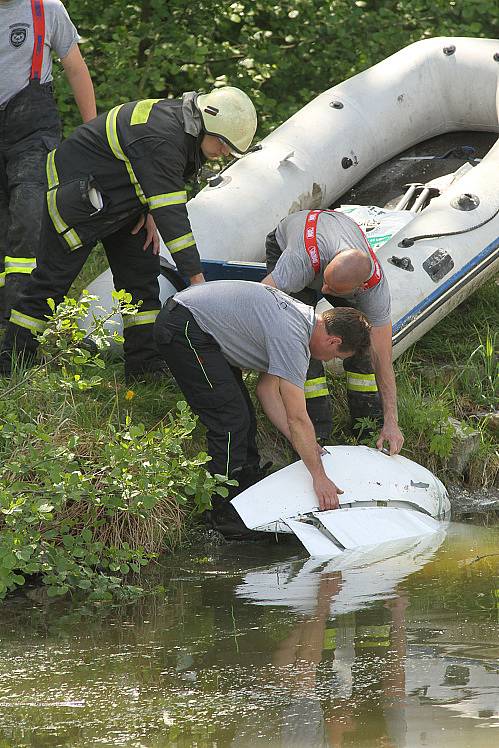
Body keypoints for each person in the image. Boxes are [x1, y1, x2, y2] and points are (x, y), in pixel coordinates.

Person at [0, 85, 257, 381]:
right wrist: (198, 285)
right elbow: (175, 223)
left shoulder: (183, 129)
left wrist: (148, 210)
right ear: (206, 123)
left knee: (141, 278)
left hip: (122, 200)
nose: (224, 152)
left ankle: (144, 366)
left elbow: (151, 174)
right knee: (51, 281)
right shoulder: (164, 137)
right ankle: (13, 359)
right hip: (79, 196)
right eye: (223, 143)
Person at [153, 280, 371, 536]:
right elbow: (298, 418)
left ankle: (246, 490)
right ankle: (222, 514)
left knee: (243, 414)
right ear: (334, 341)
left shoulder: (303, 320)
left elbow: (266, 392)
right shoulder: (293, 338)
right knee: (229, 420)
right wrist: (319, 477)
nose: (330, 360)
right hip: (185, 328)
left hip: (197, 323)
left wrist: (307, 446)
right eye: (335, 356)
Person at [262, 208, 404, 455]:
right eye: (324, 283)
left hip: (331, 249)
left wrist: (392, 421)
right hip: (296, 245)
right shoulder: (297, 263)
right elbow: (259, 301)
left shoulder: (374, 290)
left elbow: (383, 360)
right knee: (302, 340)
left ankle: (367, 429)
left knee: (362, 345)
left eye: (332, 289)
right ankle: (316, 432)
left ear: (358, 288)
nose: (324, 290)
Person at [0, 0, 96, 324]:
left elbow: (76, 68)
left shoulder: (47, 9)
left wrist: (92, 135)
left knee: (29, 221)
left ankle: (19, 323)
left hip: (32, 134)